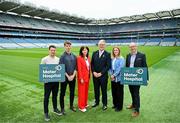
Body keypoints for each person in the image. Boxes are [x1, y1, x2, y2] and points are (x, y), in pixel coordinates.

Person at [126, 42, 149, 117]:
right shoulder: (128, 55)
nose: (132, 48)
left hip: (137, 78)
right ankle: (133, 104)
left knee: (136, 93)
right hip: (130, 77)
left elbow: (145, 66)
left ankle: (137, 110)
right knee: (131, 92)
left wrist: (146, 78)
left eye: (133, 46)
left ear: (136, 47)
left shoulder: (141, 55)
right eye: (131, 47)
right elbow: (127, 66)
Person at [41, 45, 62, 121]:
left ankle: (55, 108)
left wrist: (60, 77)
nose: (53, 51)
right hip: (48, 82)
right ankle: (46, 113)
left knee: (55, 96)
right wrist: (45, 79)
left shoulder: (58, 59)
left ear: (55, 51)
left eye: (54, 50)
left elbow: (59, 70)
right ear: (49, 51)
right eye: (51, 50)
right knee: (46, 97)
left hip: (56, 81)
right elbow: (42, 70)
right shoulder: (44, 59)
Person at [91, 39, 111, 110]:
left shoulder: (107, 54)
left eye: (103, 44)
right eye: (100, 44)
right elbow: (92, 64)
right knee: (96, 89)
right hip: (95, 75)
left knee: (103, 90)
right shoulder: (94, 53)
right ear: (98, 45)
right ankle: (96, 102)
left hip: (103, 76)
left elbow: (108, 65)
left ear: (105, 45)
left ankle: (104, 104)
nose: (101, 46)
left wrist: (101, 73)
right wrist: (93, 72)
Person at [59, 41, 77, 114]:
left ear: (71, 46)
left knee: (72, 92)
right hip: (64, 78)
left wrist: (73, 76)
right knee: (62, 93)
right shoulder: (62, 56)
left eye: (69, 46)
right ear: (64, 47)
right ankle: (62, 108)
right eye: (66, 46)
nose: (68, 47)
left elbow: (76, 67)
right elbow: (61, 68)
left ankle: (71, 106)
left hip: (73, 77)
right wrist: (68, 76)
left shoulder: (74, 55)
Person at [109, 47, 125, 112]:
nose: (115, 51)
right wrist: (110, 74)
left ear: (119, 51)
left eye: (117, 50)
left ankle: (119, 107)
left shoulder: (121, 58)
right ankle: (115, 104)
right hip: (113, 79)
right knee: (114, 92)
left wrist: (114, 75)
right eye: (114, 50)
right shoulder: (112, 59)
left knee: (119, 93)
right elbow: (109, 67)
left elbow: (120, 68)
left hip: (119, 79)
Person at [77, 46, 91, 112]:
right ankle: (81, 106)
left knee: (86, 91)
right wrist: (81, 78)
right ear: (81, 51)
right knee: (81, 92)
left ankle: (85, 103)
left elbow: (88, 68)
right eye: (83, 50)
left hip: (87, 77)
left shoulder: (88, 58)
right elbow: (79, 69)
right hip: (82, 78)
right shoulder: (79, 58)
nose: (85, 51)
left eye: (86, 50)